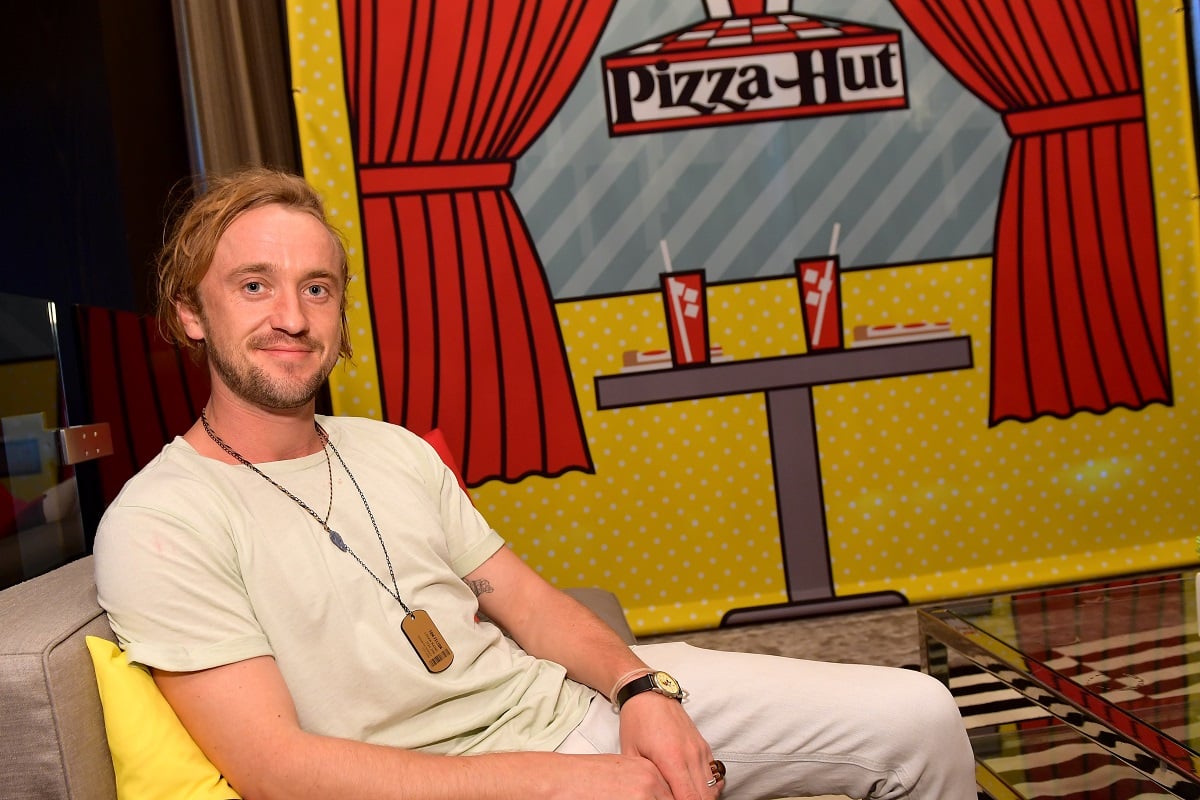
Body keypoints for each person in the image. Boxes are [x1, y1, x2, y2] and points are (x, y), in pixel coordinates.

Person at [94, 167, 977, 800]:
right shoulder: (161, 521)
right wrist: (562, 783)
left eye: (316, 288)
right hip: (443, 781)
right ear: (188, 315)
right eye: (255, 286)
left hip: (564, 711)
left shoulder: (392, 450)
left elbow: (529, 602)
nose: (292, 316)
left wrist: (639, 691)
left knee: (920, 713)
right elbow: (277, 771)